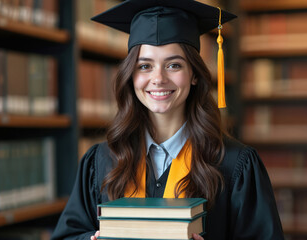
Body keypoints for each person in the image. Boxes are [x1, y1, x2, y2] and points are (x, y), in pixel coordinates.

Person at [51, 0, 284, 239]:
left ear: (194, 74)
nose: (158, 78)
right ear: (131, 75)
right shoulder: (101, 162)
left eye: (174, 65)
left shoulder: (235, 165)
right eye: (145, 66)